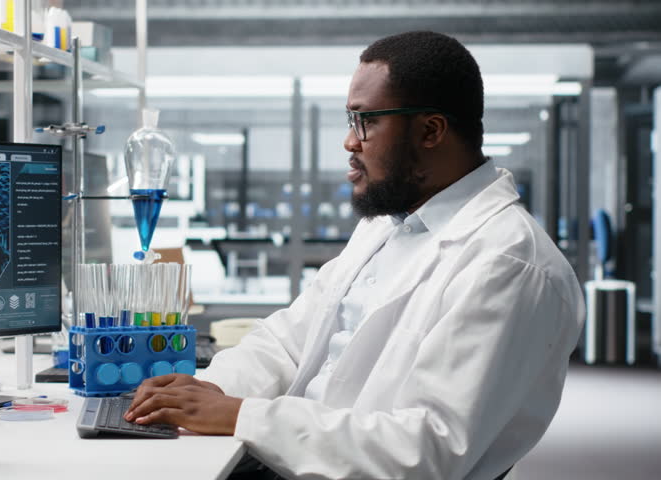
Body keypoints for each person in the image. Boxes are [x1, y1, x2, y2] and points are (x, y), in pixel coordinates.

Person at [124, 31, 584, 480]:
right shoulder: (387, 226)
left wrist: (241, 416)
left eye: (365, 121)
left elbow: (425, 452)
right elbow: (288, 340)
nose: (350, 142)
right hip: (291, 454)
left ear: (430, 130)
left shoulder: (509, 263)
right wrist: (211, 390)